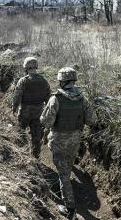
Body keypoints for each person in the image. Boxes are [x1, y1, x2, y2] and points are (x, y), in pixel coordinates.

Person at [40, 67, 97, 218]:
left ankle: (70, 209)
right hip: (75, 142)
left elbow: (46, 121)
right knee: (67, 167)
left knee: (63, 175)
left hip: (58, 142)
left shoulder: (55, 99)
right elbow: (91, 120)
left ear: (61, 81)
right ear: (73, 80)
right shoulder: (83, 98)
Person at [12, 57, 51, 158]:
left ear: (26, 67)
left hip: (25, 111)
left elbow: (17, 96)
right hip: (39, 112)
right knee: (37, 136)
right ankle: (36, 155)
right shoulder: (44, 81)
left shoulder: (23, 81)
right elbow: (48, 98)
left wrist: (14, 108)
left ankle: (21, 153)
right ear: (36, 66)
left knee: (21, 132)